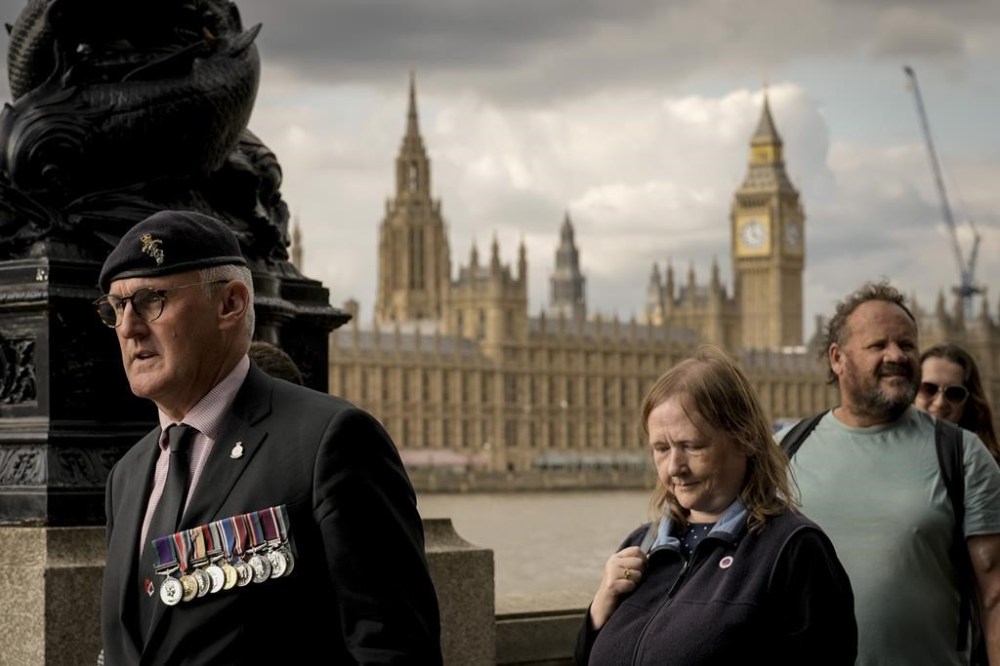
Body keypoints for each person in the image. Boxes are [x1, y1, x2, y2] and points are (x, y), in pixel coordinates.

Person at [97, 210, 442, 664]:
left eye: (150, 300)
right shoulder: (128, 475)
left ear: (231, 304)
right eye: (116, 308)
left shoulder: (329, 443)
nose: (128, 326)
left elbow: (395, 649)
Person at [575, 346, 857, 665]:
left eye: (692, 446)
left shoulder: (792, 549)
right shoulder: (642, 545)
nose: (674, 467)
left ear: (744, 437)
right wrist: (602, 605)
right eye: (661, 448)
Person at [781, 280, 1000, 665]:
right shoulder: (783, 451)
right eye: (878, 345)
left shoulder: (962, 454)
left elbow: (994, 595)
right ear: (837, 358)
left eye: (907, 345)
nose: (896, 355)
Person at [916, 342, 1000, 464]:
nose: (940, 403)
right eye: (929, 389)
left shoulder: (985, 463)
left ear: (969, 402)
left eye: (954, 393)